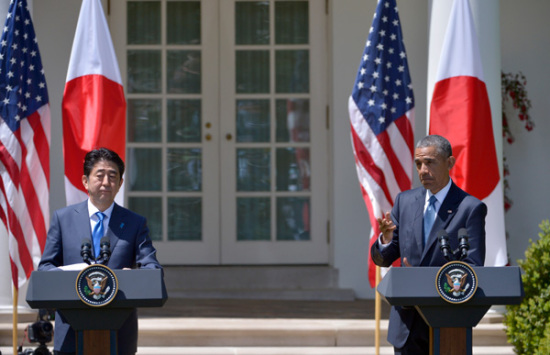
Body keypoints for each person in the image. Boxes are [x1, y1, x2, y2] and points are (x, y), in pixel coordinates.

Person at [38, 148, 162, 355]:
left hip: (119, 330)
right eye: (100, 175)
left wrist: (135, 277)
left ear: (120, 184)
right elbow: (45, 268)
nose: (106, 182)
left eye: (113, 176)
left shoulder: (134, 223)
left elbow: (152, 268)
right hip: (71, 329)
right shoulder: (63, 219)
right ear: (85, 181)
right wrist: (69, 275)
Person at [370, 135, 486, 354]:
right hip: (406, 324)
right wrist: (385, 241)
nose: (423, 170)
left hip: (447, 323)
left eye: (430, 162)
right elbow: (383, 258)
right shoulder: (404, 202)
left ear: (450, 163)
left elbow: (472, 266)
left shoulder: (470, 208)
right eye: (418, 163)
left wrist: (425, 281)